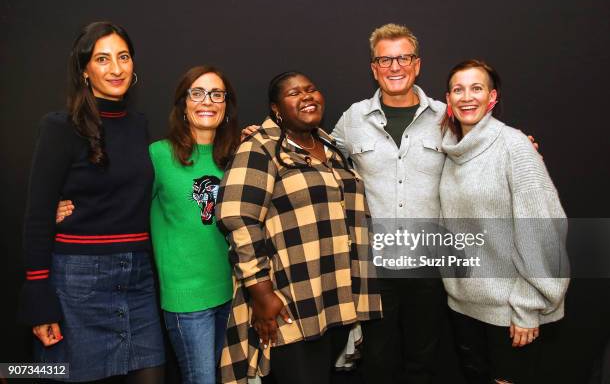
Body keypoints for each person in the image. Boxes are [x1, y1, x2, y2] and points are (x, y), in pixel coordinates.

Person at [18, 21, 165, 382]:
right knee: (55, 375)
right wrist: (38, 296)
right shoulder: (60, 128)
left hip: (139, 280)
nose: (116, 69)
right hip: (78, 282)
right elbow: (37, 215)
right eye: (102, 59)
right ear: (85, 70)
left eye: (124, 57)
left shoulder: (139, 125)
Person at [216, 71, 382, 384]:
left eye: (311, 89)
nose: (306, 96)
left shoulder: (329, 146)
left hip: (334, 298)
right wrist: (262, 295)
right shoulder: (260, 149)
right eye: (294, 93)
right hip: (289, 302)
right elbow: (238, 219)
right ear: (276, 109)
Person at [439, 59, 569, 383]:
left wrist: (528, 306)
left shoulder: (514, 146)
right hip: (463, 307)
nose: (467, 96)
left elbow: (543, 228)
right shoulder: (451, 153)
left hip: (510, 312)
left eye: (476, 88)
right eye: (458, 89)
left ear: (492, 98)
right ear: (448, 100)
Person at [331, 23, 447, 384]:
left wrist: (521, 145)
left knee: (423, 362)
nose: (394, 67)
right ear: (373, 67)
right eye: (385, 59)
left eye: (403, 58)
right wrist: (264, 137)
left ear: (417, 64)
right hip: (375, 265)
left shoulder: (447, 116)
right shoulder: (354, 118)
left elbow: (485, 148)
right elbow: (315, 153)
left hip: (429, 263)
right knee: (379, 362)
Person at [148, 65, 239, 384]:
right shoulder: (158, 155)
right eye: (197, 93)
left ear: (226, 105)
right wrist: (65, 205)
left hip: (232, 291)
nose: (207, 101)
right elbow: (120, 203)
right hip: (187, 297)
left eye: (217, 94)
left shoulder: (238, 155)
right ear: (183, 104)